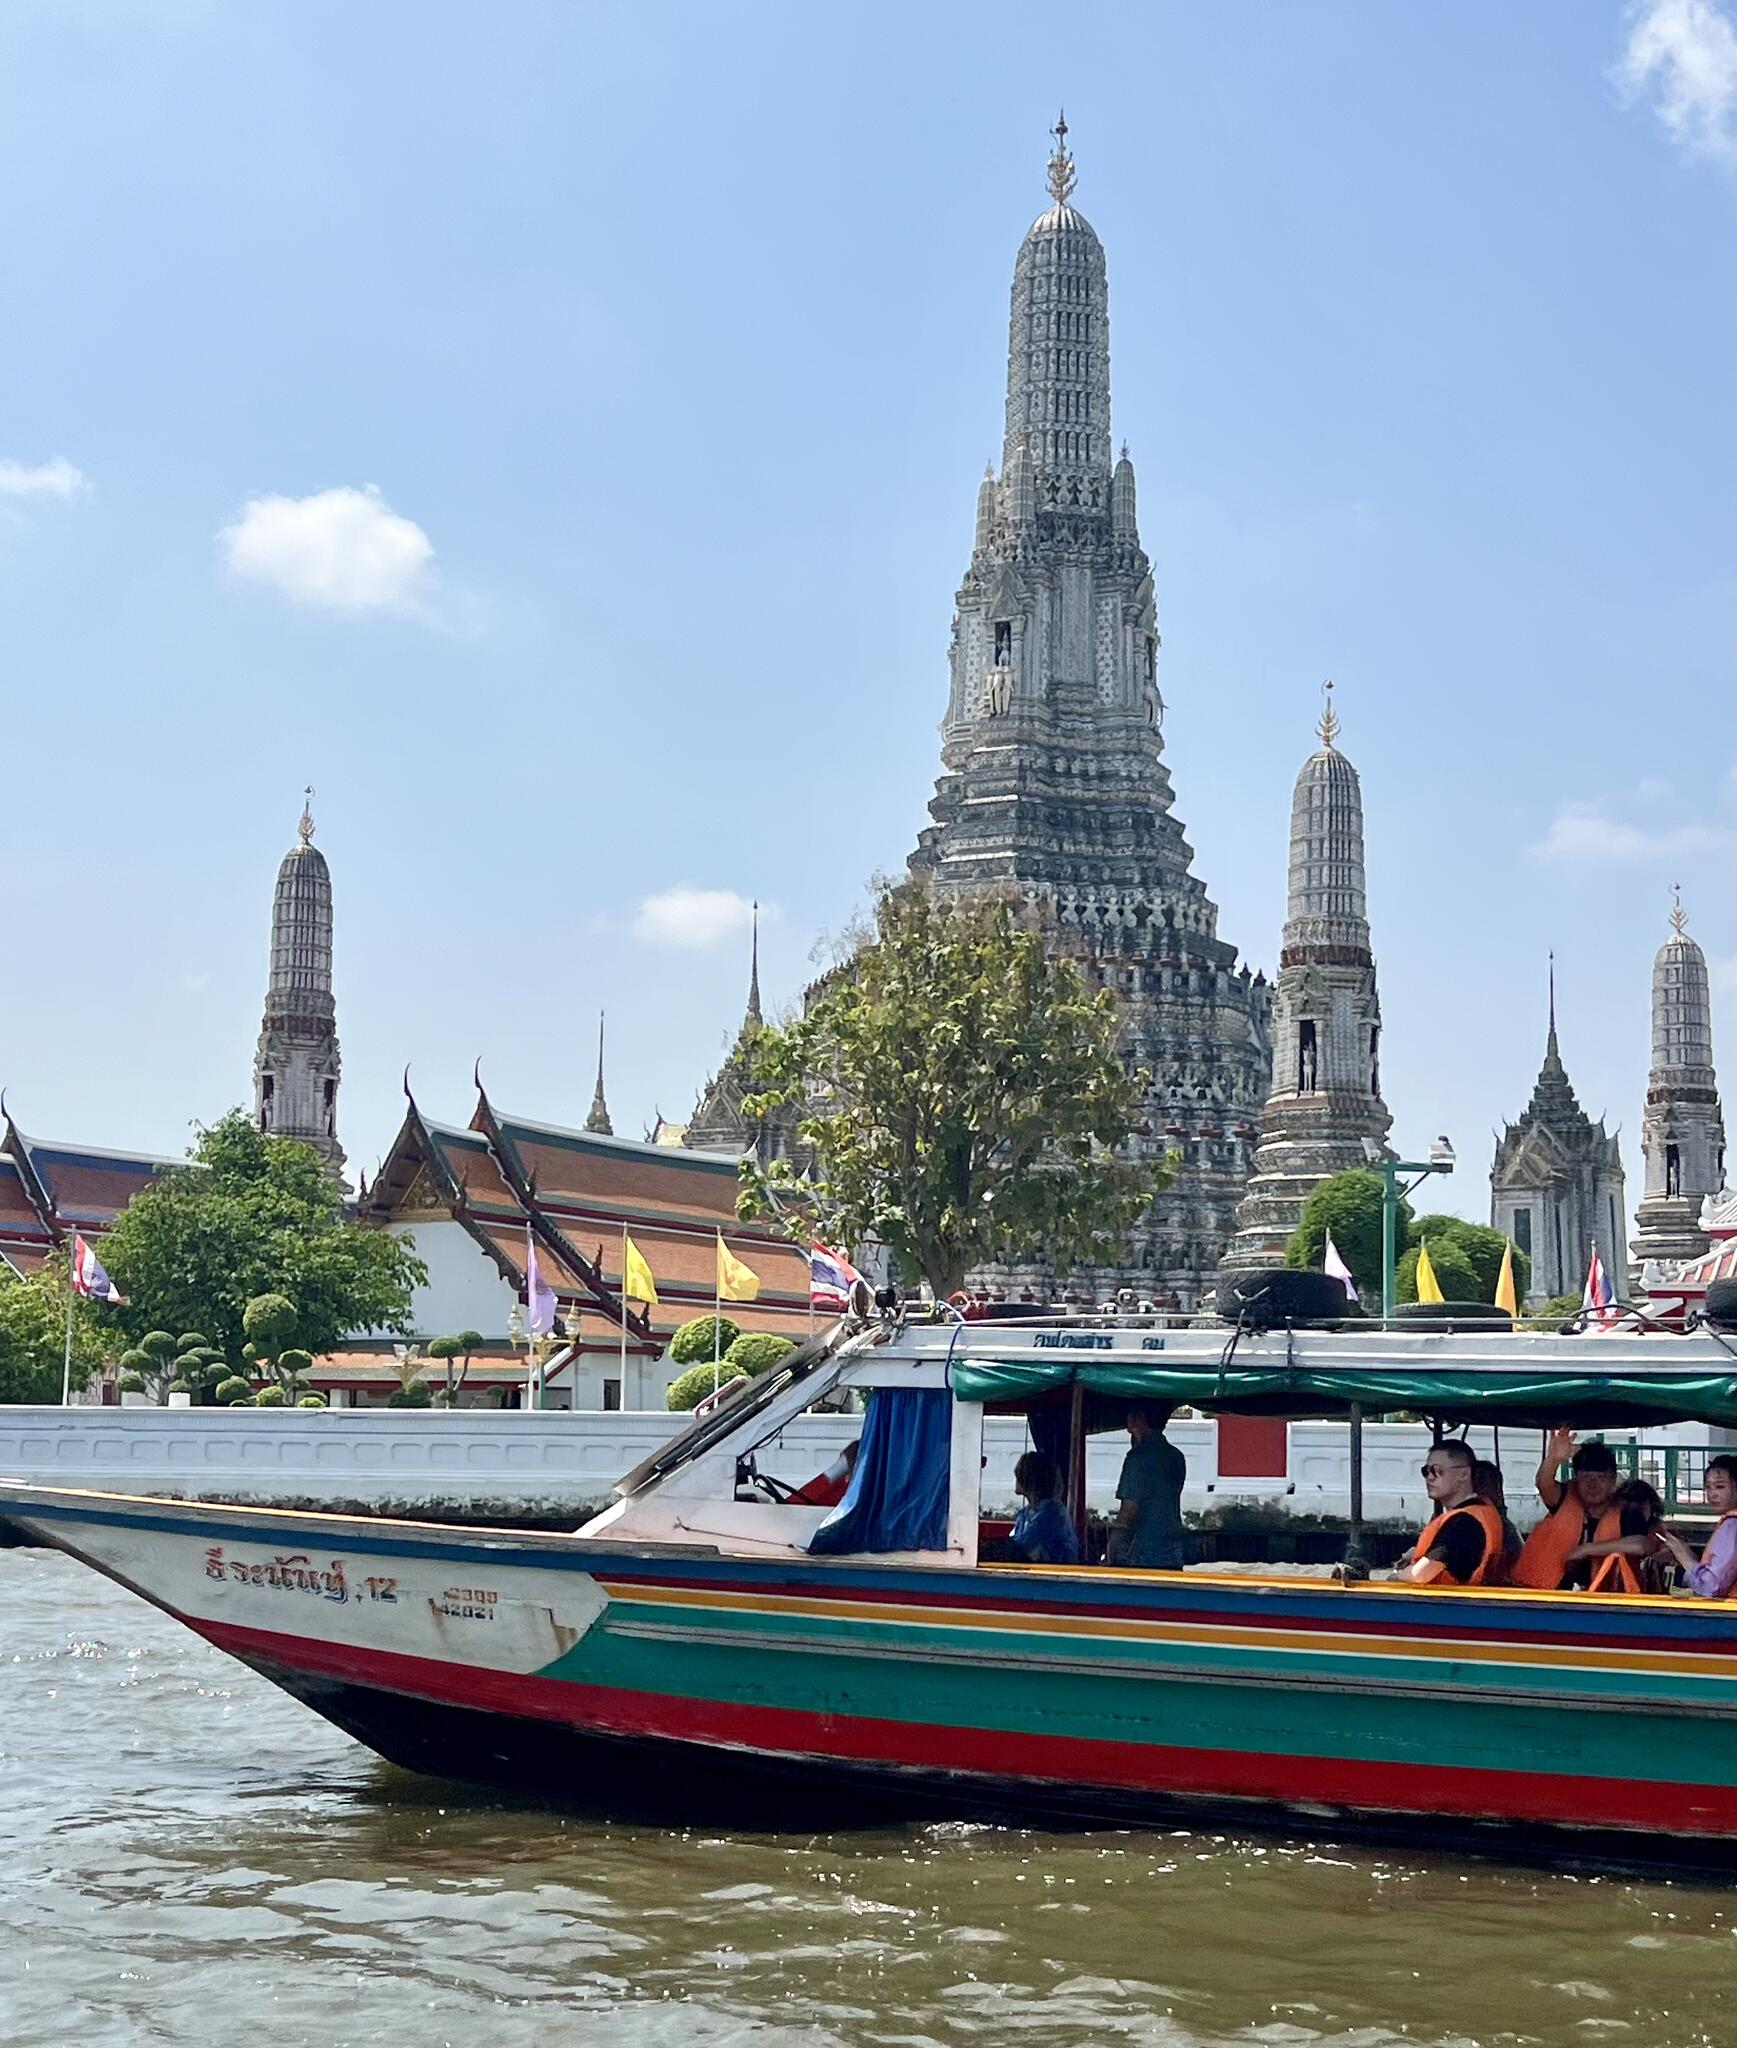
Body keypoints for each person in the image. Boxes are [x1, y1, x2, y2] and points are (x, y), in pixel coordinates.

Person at [1511, 1431, 1647, 1591]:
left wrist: (1587, 1549)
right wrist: (1553, 1459)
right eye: (1586, 1477)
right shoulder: (1563, 1498)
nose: (1593, 1485)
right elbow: (1543, 1484)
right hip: (1545, 1597)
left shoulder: (1627, 1511)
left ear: (1612, 1481)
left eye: (1601, 1478)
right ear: (1576, 1479)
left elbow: (1642, 1545)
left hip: (1603, 1603)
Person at [1398, 1440, 1505, 1587]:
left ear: (1464, 1474)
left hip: (1447, 1605)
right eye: (1426, 1471)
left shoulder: (1464, 1523)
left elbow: (1419, 1575)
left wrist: (1392, 1577)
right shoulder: (1480, 1512)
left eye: (1437, 1470)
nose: (1429, 1477)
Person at [1106, 1403, 1187, 1569]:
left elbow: (1129, 1510)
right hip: (1173, 1547)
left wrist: (1111, 1549)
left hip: (1145, 1549)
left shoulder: (1137, 1459)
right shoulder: (1176, 1456)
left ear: (1140, 1419)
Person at [1652, 1453, 1737, 1599]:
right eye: (1708, 1487)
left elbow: (1710, 1588)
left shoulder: (1731, 1526)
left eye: (1720, 1486)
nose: (1712, 1494)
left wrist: (1685, 1558)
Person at [1007, 1452, 1083, 1565]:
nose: (1016, 1479)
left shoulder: (1051, 1512)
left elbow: (1022, 1547)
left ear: (1031, 1478)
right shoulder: (1025, 1513)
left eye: (1019, 1474)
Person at [1471, 1458, 1523, 1582]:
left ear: (1498, 1492)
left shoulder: (1504, 1530)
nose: (1477, 1491)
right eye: (1474, 1485)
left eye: (1483, 1485)